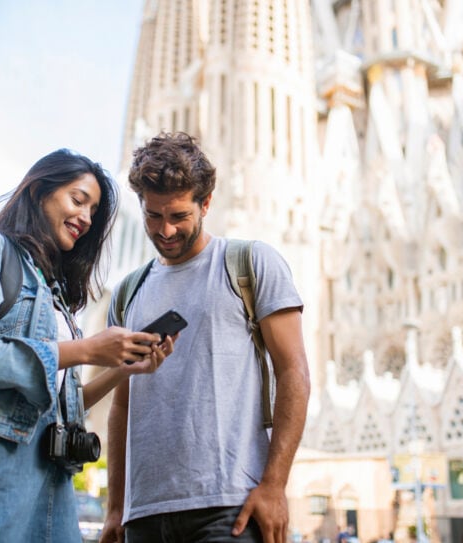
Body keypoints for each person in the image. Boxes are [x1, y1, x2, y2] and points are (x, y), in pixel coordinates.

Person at [0, 149, 174, 543]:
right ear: (38, 192)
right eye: (78, 200)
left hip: (53, 474)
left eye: (94, 211)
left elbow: (64, 401)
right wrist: (85, 350)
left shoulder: (54, 292)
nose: (86, 219)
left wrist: (124, 368)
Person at [101, 132, 310, 543]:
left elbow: (294, 372)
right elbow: (121, 405)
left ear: (206, 203)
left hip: (228, 507)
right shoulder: (128, 292)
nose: (165, 230)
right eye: (153, 216)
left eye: (179, 216)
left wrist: (274, 485)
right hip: (144, 515)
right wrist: (115, 508)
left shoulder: (250, 263)